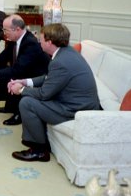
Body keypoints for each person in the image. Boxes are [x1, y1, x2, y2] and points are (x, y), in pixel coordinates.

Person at [8, 23, 101, 162]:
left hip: (76, 110)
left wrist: (20, 90)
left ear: (49, 42)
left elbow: (44, 94)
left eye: (41, 40)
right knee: (29, 97)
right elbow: (49, 78)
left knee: (27, 103)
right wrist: (25, 82)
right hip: (81, 103)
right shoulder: (67, 52)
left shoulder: (60, 62)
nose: (39, 42)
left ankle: (39, 151)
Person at [0, 15, 50, 125]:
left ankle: (19, 113)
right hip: (23, 71)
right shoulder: (14, 39)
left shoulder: (30, 43)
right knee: (0, 68)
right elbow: (1, 58)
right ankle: (10, 105)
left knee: (8, 74)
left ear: (17, 30)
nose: (4, 32)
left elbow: (19, 70)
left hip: (37, 77)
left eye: (5, 30)